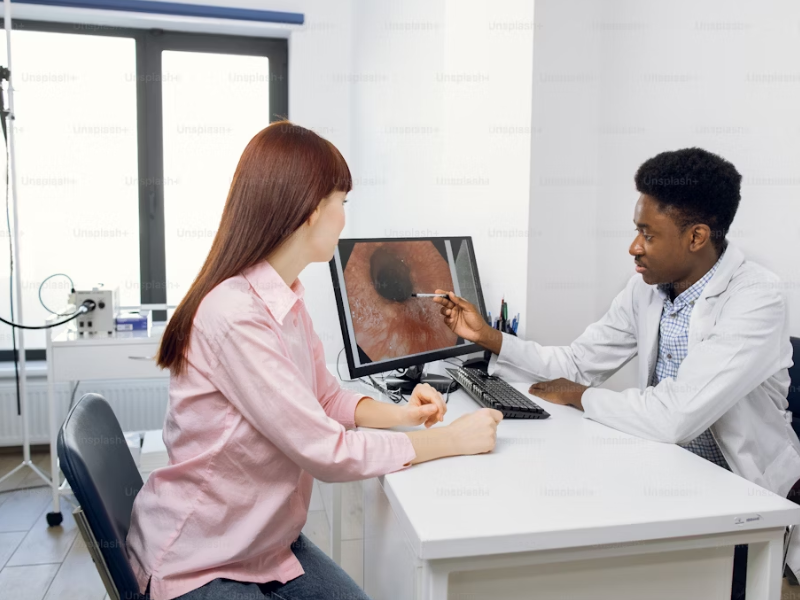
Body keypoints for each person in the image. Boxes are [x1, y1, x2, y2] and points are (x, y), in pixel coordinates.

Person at [126, 121, 503, 600]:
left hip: (263, 545)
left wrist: (405, 414)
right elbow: (325, 451)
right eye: (341, 203)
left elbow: (324, 397)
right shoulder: (234, 314)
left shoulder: (286, 299)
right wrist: (451, 440)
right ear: (309, 210)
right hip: (201, 560)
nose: (345, 218)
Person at [433, 147, 800, 599]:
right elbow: (575, 363)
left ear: (697, 236)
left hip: (738, 489)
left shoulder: (756, 299)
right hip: (665, 465)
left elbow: (674, 416)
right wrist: (489, 336)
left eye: (647, 233)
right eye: (635, 230)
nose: (634, 246)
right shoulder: (646, 289)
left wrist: (580, 396)